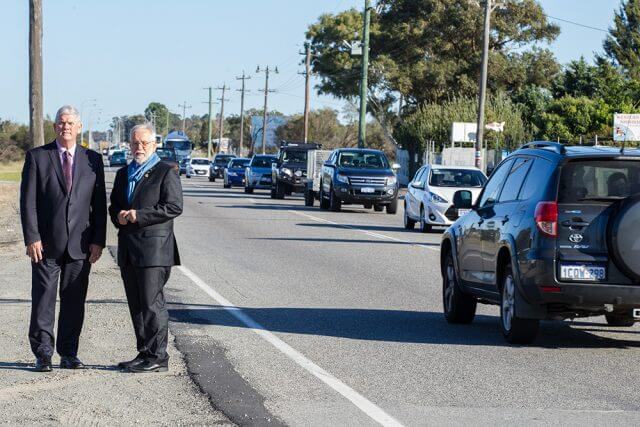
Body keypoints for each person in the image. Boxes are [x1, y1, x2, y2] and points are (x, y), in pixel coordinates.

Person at [20, 105, 107, 372]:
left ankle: (69, 353)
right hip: (46, 245)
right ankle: (43, 353)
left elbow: (99, 203)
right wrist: (32, 237)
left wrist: (99, 240)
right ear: (54, 126)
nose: (65, 126)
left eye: (70, 123)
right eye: (60, 122)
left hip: (81, 245)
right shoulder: (38, 157)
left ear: (78, 127)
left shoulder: (92, 159)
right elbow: (28, 202)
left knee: (74, 301)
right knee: (43, 299)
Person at [108, 123, 183, 373]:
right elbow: (114, 205)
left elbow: (173, 207)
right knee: (137, 304)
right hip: (129, 249)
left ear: (154, 144)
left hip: (154, 250)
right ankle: (144, 352)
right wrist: (118, 215)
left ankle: (159, 356)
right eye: (134, 143)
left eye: (144, 143)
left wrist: (138, 215)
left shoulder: (165, 171)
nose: (138, 147)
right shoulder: (123, 173)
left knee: (152, 304)